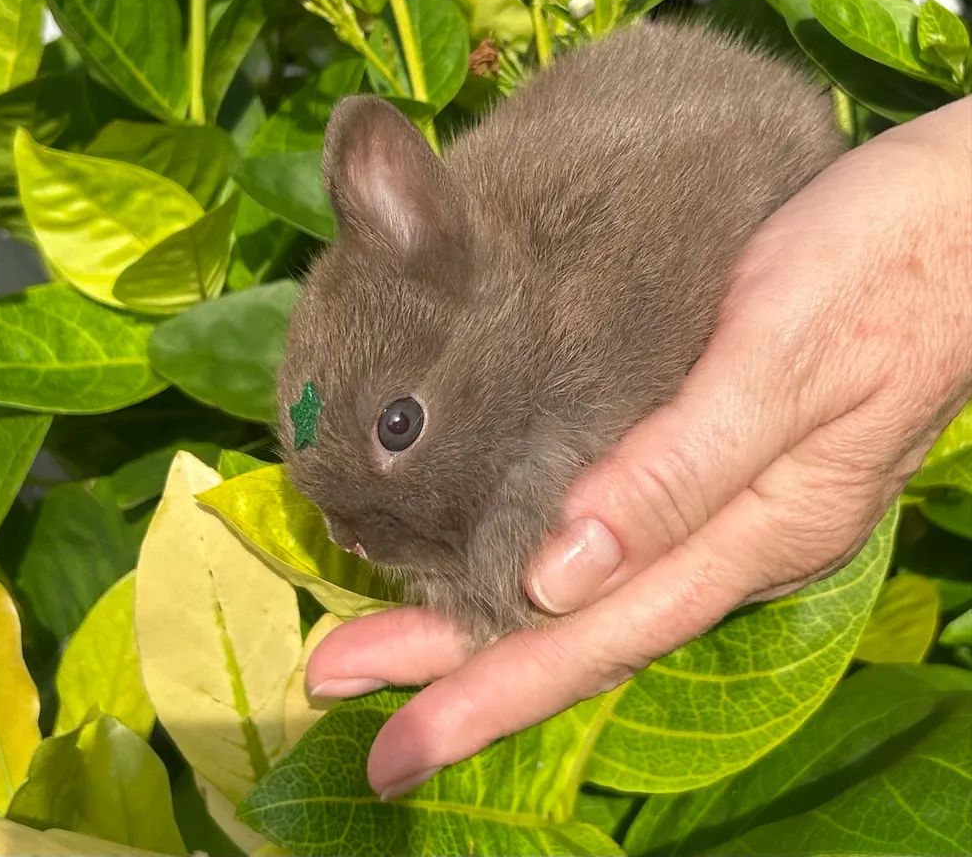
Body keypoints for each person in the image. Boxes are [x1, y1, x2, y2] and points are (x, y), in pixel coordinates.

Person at [305, 96, 972, 801]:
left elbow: (515, 572)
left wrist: (948, 207)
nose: (345, 538)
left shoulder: (576, 354)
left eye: (398, 427)